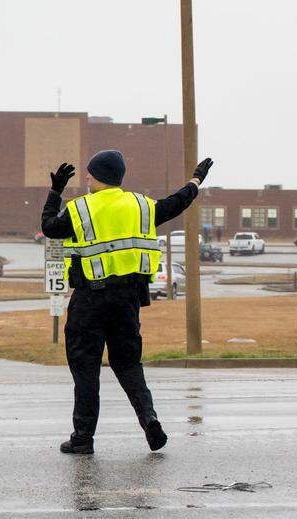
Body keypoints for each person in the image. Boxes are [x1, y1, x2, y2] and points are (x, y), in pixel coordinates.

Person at [41, 149, 214, 454]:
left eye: (90, 173)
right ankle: (149, 420)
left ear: (100, 176)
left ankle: (83, 437)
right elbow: (175, 204)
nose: (87, 177)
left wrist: (55, 192)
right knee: (129, 365)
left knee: (85, 370)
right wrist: (195, 181)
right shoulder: (140, 206)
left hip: (89, 301)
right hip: (127, 301)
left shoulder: (81, 208)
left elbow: (49, 228)